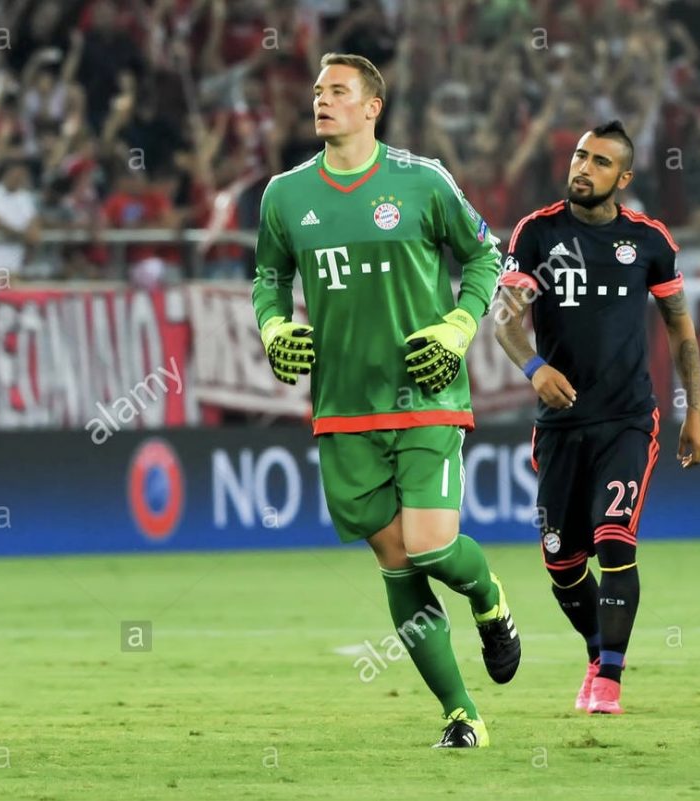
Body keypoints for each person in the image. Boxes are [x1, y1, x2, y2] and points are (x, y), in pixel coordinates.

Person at [251, 53, 520, 749]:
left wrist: (459, 326)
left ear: (373, 106)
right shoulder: (284, 195)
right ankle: (462, 715)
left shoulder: (422, 180)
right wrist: (273, 327)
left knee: (430, 547)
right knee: (396, 562)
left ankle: (489, 599)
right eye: (318, 90)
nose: (322, 100)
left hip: (426, 392)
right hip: (343, 407)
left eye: (338, 91)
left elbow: (485, 254)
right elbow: (268, 278)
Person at [493, 120, 700, 715]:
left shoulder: (649, 240)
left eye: (601, 162)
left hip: (627, 421)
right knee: (562, 564)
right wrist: (535, 367)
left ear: (624, 177)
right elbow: (505, 320)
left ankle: (609, 680)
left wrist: (695, 411)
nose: (584, 168)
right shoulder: (537, 232)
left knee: (615, 542)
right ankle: (596, 651)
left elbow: (681, 329)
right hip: (560, 425)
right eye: (581, 156)